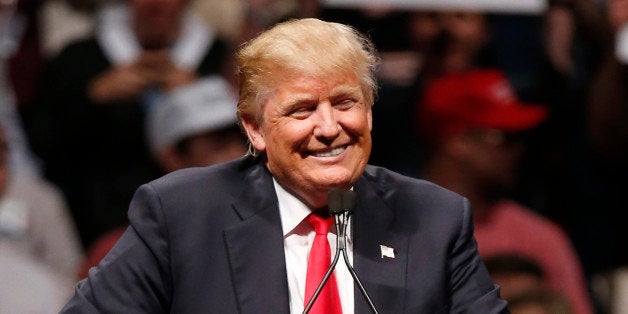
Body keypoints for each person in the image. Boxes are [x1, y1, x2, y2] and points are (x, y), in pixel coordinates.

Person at [61, 18, 507, 313]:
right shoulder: (183, 215)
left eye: (345, 103)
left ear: (369, 114)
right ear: (255, 129)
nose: (329, 127)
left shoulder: (434, 218)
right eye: (302, 110)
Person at [25, 0, 228, 249]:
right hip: (100, 231)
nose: (157, 5)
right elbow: (40, 142)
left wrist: (203, 95)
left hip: (205, 223)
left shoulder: (223, 58)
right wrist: (92, 97)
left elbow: (252, 143)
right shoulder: (79, 59)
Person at [417, 68, 593, 314]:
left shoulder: (539, 238)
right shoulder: (394, 229)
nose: (518, 149)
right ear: (458, 142)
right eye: (503, 137)